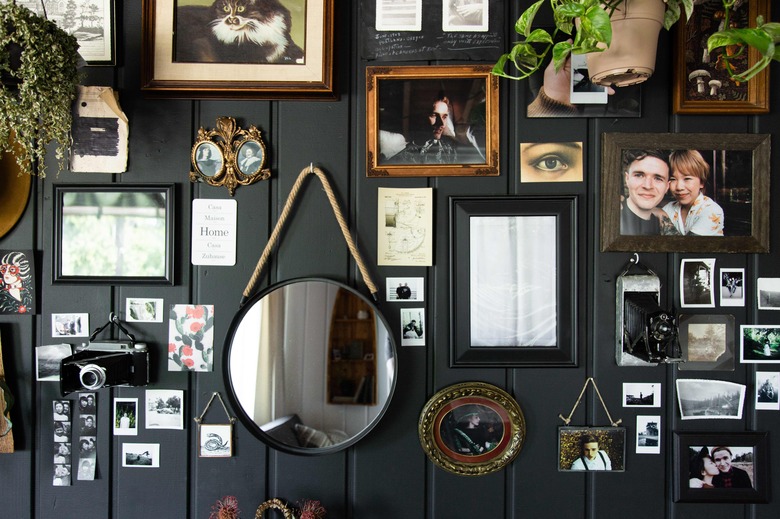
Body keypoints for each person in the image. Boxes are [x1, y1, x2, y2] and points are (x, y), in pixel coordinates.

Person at [382, 92, 483, 165]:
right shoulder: (403, 155)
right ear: (422, 116)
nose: (441, 123)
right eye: (434, 115)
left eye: (444, 117)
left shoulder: (453, 149)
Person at [660, 149, 724, 236]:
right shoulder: (668, 209)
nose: (679, 187)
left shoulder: (712, 210)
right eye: (672, 179)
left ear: (702, 182)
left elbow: (687, 248)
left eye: (687, 179)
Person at [620, 149, 671, 235]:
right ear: (627, 179)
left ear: (667, 186)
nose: (648, 186)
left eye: (658, 178)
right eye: (639, 175)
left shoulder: (661, 220)